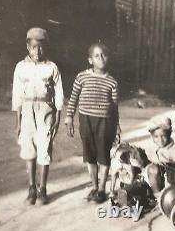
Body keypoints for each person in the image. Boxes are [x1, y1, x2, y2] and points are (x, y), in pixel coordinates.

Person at [12, 27, 64, 205]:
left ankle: (43, 189)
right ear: (28, 47)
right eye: (34, 47)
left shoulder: (51, 67)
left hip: (45, 111)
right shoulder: (21, 67)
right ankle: (31, 187)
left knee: (44, 147)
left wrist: (57, 115)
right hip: (27, 110)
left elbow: (58, 92)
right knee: (29, 148)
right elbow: (17, 94)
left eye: (41, 47)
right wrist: (18, 122)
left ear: (46, 47)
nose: (37, 51)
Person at [65, 42, 121, 203]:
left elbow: (115, 107)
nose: (101, 58)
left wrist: (116, 125)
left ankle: (102, 189)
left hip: (105, 122)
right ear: (90, 60)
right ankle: (95, 187)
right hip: (86, 119)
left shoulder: (112, 82)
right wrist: (69, 117)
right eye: (97, 56)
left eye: (104, 55)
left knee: (103, 155)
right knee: (90, 155)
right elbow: (73, 98)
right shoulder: (82, 77)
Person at [144, 117, 175, 194]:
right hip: (156, 178)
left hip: (172, 179)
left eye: (163, 136)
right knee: (152, 169)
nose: (160, 139)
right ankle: (157, 195)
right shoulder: (151, 149)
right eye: (156, 137)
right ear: (152, 137)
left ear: (169, 134)